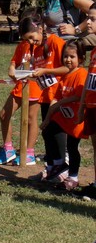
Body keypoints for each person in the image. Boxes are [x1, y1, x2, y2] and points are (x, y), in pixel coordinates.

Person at [16, 9, 69, 178]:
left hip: (59, 97)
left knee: (56, 131)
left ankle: (63, 169)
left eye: (32, 37)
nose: (31, 42)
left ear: (40, 29)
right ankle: (52, 167)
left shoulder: (56, 42)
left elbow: (68, 68)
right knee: (47, 132)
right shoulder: (35, 49)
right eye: (27, 40)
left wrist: (46, 70)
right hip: (45, 96)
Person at [40, 39, 88, 190]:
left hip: (76, 119)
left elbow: (79, 96)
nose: (68, 59)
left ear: (80, 58)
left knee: (73, 147)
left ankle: (73, 177)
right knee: (48, 130)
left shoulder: (81, 74)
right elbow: (56, 97)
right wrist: (47, 119)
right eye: (65, 56)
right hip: (65, 118)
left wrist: (61, 103)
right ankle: (59, 164)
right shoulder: (64, 76)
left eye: (72, 57)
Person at [75, 3, 96, 201]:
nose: (88, 22)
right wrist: (82, 107)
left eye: (93, 19)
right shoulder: (94, 51)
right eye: (88, 18)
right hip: (91, 106)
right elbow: (90, 79)